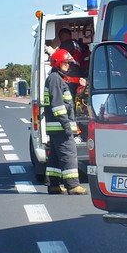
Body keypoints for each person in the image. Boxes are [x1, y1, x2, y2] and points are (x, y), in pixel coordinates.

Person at [43, 48, 87, 195]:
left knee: (55, 156)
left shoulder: (55, 78)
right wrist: (66, 125)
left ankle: (53, 185)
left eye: (69, 63)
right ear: (57, 63)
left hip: (56, 127)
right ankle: (73, 185)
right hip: (61, 127)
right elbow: (58, 106)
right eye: (65, 63)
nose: (68, 66)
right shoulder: (55, 79)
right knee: (69, 153)